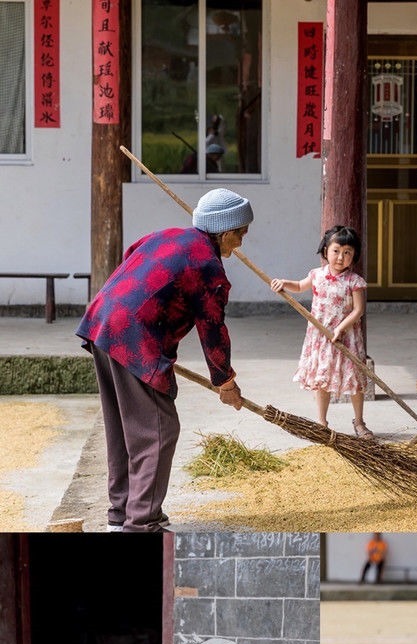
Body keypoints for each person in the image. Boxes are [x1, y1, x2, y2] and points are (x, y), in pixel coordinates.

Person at [76, 189, 252, 532]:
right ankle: (141, 522)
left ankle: (122, 513)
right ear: (225, 231)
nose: (241, 243)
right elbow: (212, 330)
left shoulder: (167, 235)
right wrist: (225, 382)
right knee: (158, 429)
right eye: (241, 234)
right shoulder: (208, 266)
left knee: (125, 427)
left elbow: (130, 258)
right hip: (134, 337)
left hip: (103, 321)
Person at [270, 225, 373, 438]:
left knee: (354, 381)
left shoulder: (355, 281)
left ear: (354, 256)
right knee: (322, 378)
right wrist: (284, 284)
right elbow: (299, 286)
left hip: (346, 338)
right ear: (326, 250)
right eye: (336, 251)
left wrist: (341, 328)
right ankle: (322, 422)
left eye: (347, 253)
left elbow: (358, 310)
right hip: (321, 337)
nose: (340, 257)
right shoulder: (317, 275)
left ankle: (359, 422)